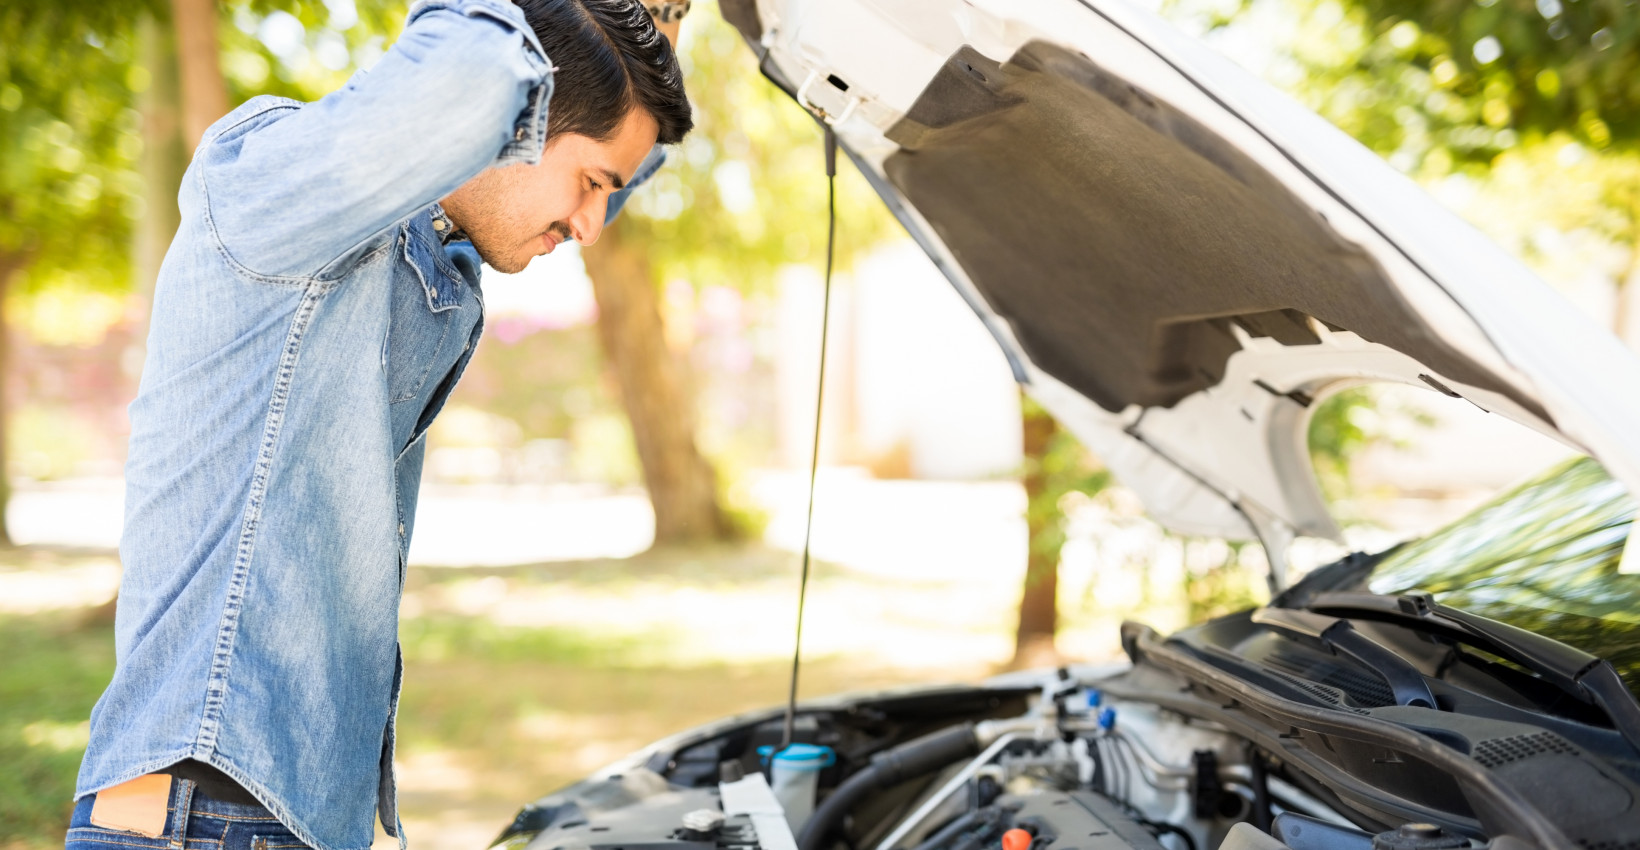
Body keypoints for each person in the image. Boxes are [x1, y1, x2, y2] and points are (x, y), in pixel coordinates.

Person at [63, 2, 693, 850]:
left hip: (274, 818)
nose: (590, 225)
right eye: (592, 183)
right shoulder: (277, 188)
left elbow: (591, 147)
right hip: (201, 819)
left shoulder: (436, 242)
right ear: (515, 120)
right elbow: (480, 69)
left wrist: (656, 30)